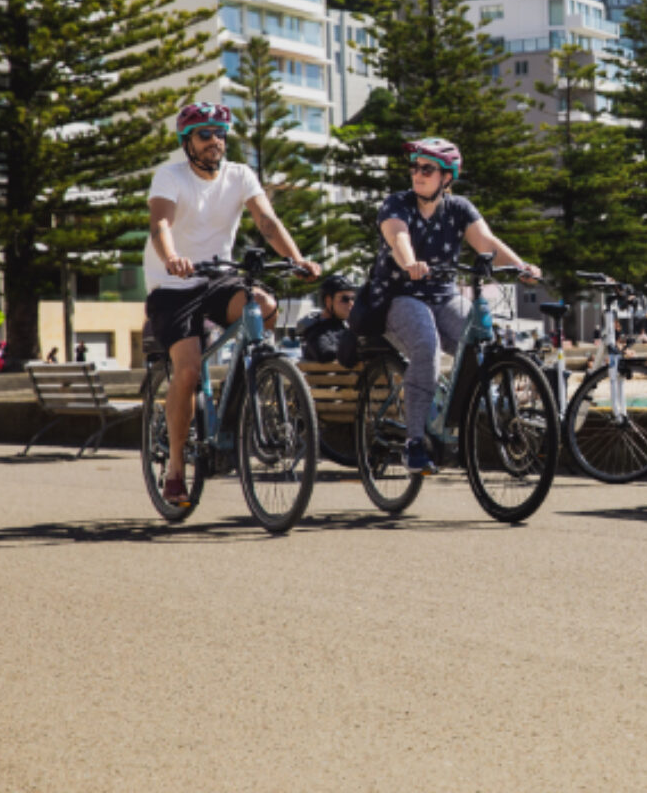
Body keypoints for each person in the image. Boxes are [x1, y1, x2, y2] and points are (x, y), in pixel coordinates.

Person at [144, 102, 320, 505]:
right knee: (187, 373)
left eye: (220, 134)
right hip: (174, 284)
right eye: (205, 134)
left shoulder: (241, 175)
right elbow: (160, 224)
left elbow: (267, 221)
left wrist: (297, 259)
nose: (214, 142)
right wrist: (172, 256)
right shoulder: (169, 177)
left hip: (218, 277)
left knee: (264, 305)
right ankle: (174, 470)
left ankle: (257, 374)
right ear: (187, 141)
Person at [358, 137, 540, 476]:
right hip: (400, 295)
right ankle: (414, 442)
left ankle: (461, 420)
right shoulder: (396, 204)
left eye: (427, 168)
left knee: (483, 344)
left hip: (443, 294)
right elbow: (398, 238)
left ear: (447, 178)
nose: (418, 173)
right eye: (415, 167)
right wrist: (410, 262)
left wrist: (521, 267)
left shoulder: (459, 208)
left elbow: (486, 243)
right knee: (427, 347)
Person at [298, 274, 357, 363]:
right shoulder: (316, 330)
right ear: (328, 301)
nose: (351, 303)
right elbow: (324, 353)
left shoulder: (346, 327)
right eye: (345, 299)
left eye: (353, 298)